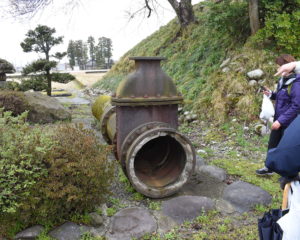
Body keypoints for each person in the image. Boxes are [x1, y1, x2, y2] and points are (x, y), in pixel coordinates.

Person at [256, 54, 300, 175]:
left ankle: (289, 174)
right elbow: (282, 97)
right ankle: (268, 167)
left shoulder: (296, 83)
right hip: (279, 118)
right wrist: (271, 94)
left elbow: (296, 106)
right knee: (273, 144)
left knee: (287, 148)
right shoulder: (283, 80)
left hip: (290, 122)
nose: (278, 70)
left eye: (280, 67)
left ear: (288, 67)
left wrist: (281, 121)